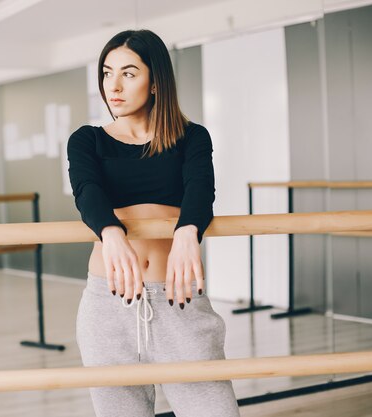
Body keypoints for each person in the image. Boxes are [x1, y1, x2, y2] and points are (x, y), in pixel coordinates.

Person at [67, 30, 240, 417]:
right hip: (108, 303)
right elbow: (87, 190)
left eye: (129, 73)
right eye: (107, 72)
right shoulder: (86, 140)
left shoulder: (192, 137)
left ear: (156, 80)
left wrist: (186, 232)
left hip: (178, 297)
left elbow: (200, 189)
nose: (114, 85)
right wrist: (110, 233)